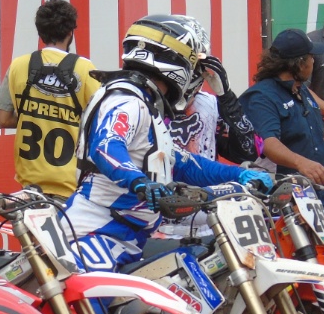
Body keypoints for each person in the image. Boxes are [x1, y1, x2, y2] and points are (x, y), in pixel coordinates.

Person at [64, 14, 273, 274]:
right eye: (194, 68)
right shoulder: (127, 99)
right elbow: (106, 146)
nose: (196, 77)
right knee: (94, 306)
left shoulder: (145, 104)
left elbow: (184, 163)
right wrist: (139, 182)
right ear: (178, 64)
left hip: (127, 236)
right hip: (95, 232)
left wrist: (240, 174)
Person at [156, 14, 259, 240]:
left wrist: (227, 96)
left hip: (208, 222)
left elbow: (249, 150)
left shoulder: (211, 104)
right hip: (158, 225)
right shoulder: (146, 103)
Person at [0, 0, 101, 199]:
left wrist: (38, 114)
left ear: (40, 32)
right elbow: (101, 123)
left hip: (29, 190)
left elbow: (2, 119)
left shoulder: (18, 65)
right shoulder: (85, 69)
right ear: (71, 32)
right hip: (71, 189)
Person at [239, 29, 324, 186]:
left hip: (319, 188)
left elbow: (320, 133)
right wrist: (302, 163)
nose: (314, 61)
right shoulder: (261, 97)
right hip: (282, 194)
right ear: (300, 64)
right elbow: (266, 143)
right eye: (311, 57)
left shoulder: (300, 88)